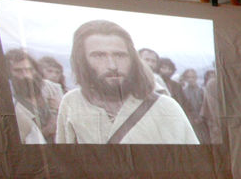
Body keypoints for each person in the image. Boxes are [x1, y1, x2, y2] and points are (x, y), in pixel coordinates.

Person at [56, 21, 198, 144]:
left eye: (120, 55)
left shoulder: (166, 107)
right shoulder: (72, 102)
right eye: (99, 55)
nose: (112, 65)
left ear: (132, 59)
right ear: (82, 60)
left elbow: (191, 161)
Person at [5, 49, 63, 144]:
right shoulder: (9, 102)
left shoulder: (52, 88)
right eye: (18, 71)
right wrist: (47, 130)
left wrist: (62, 108)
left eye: (29, 69)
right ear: (8, 73)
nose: (26, 75)